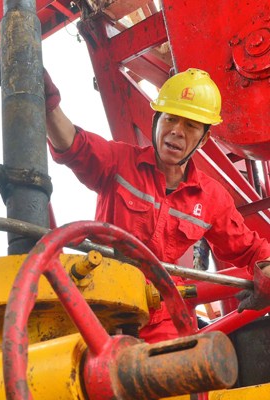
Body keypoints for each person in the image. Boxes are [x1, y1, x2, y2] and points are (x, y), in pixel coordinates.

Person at [38, 66, 270, 342]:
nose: (177, 132)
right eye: (170, 119)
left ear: (204, 138)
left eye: (191, 125)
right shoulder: (118, 163)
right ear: (156, 120)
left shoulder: (211, 198)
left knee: (180, 375)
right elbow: (73, 145)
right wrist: (46, 101)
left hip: (163, 315)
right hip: (102, 304)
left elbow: (251, 250)